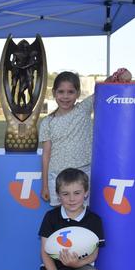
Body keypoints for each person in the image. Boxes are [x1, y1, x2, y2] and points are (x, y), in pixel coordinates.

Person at [36, 167, 106, 270]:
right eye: (65, 194)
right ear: (58, 196)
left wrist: (78, 263)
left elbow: (95, 253)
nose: (72, 199)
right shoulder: (51, 217)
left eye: (77, 193)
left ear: (86, 192)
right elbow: (45, 252)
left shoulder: (94, 220)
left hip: (81, 269)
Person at [39, 71, 93, 207]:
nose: (65, 96)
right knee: (61, 217)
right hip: (57, 176)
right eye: (61, 92)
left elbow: (104, 87)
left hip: (83, 173)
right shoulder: (47, 122)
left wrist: (120, 74)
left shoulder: (84, 109)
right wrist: (45, 185)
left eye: (71, 92)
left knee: (82, 216)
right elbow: (46, 155)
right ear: (54, 93)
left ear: (78, 93)